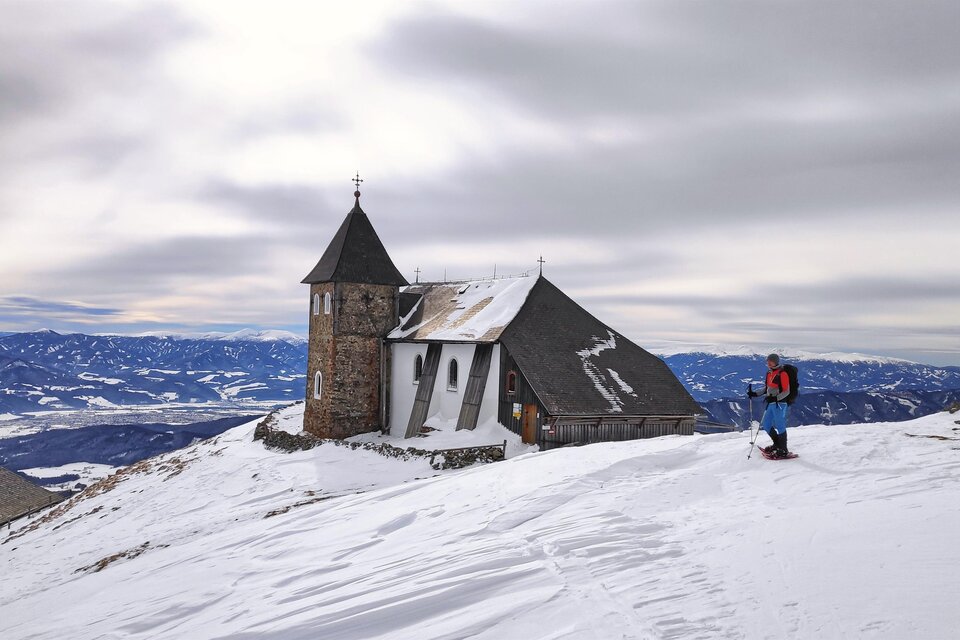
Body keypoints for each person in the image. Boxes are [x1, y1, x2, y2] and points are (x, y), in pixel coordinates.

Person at [747, 353, 791, 458]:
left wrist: (776, 398)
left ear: (776, 361)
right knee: (766, 425)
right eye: (767, 361)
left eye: (770, 361)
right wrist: (755, 393)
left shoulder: (782, 374)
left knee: (780, 425)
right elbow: (766, 388)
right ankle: (777, 444)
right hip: (771, 403)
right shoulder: (769, 373)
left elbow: (787, 391)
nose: (768, 363)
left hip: (780, 404)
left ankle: (783, 449)